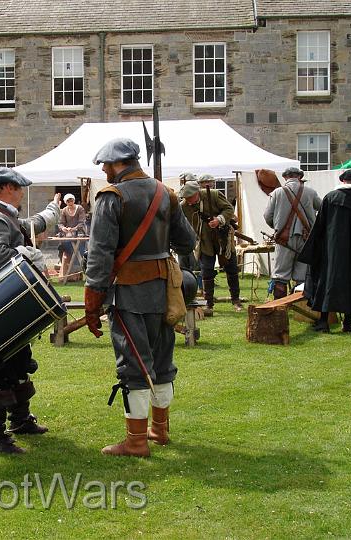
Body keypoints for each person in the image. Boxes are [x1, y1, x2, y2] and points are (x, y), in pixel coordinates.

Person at [84, 138, 196, 458]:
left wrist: (93, 302)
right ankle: (159, 430)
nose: (104, 170)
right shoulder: (166, 193)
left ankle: (136, 442)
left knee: (134, 366)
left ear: (119, 164)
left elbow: (100, 255)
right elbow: (187, 242)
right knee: (161, 362)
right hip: (165, 292)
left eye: (106, 165)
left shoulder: (112, 196)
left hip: (129, 294)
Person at [0, 166, 61, 454]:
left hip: (8, 303)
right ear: (7, 188)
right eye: (19, 187)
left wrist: (50, 213)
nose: (22, 192)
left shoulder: (5, 216)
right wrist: (23, 254)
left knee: (19, 361)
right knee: (0, 368)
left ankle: (20, 420)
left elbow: (28, 226)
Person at [299, 169, 351, 332]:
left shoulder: (331, 198)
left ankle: (324, 322)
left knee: (328, 283)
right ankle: (347, 322)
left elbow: (320, 226)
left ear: (344, 182)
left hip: (333, 252)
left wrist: (314, 249)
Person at [179, 173, 242, 315]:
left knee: (231, 269)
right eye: (186, 198)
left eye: (190, 197)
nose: (189, 201)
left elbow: (229, 209)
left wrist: (219, 219)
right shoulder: (183, 206)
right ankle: (209, 303)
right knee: (206, 271)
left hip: (223, 238)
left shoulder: (213, 195)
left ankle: (236, 300)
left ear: (197, 192)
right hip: (204, 241)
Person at [263, 166, 321, 299]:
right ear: (300, 177)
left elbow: (267, 216)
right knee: (302, 276)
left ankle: (279, 308)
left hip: (284, 239)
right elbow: (323, 209)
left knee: (281, 276)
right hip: (306, 239)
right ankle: (301, 307)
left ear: (285, 177)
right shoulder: (311, 192)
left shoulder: (277, 192)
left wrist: (278, 228)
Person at [57, 193, 87, 281]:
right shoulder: (64, 210)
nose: (70, 202)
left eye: (71, 200)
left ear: (74, 200)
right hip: (68, 235)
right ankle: (67, 275)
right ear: (65, 202)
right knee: (63, 249)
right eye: (68, 200)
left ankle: (77, 276)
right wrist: (64, 228)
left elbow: (82, 222)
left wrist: (73, 229)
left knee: (78, 252)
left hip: (79, 234)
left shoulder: (80, 209)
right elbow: (60, 223)